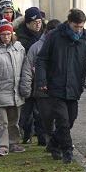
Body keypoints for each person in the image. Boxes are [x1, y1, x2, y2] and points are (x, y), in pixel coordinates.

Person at [35, 9, 86, 164]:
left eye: (81, 27)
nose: (78, 30)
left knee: (70, 119)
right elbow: (42, 58)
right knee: (62, 120)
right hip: (55, 85)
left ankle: (54, 143)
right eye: (76, 26)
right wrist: (41, 81)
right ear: (69, 22)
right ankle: (67, 150)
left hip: (74, 86)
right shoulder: (55, 36)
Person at [0, 17, 27, 157]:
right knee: (2, 121)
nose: (6, 37)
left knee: (14, 121)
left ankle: (14, 143)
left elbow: (25, 67)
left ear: (12, 34)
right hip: (0, 92)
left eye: (8, 34)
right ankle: (2, 145)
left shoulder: (19, 48)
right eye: (3, 34)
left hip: (16, 92)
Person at [19, 19, 61, 154]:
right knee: (44, 116)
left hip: (58, 88)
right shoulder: (36, 47)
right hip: (41, 88)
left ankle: (55, 140)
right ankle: (47, 136)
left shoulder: (63, 45)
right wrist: (26, 88)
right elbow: (27, 68)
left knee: (61, 116)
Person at [16, 7, 46, 144]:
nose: (37, 25)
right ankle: (26, 132)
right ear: (27, 23)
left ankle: (42, 137)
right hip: (25, 77)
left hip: (40, 78)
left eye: (39, 22)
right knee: (26, 111)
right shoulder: (20, 38)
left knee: (41, 110)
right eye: (34, 22)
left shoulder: (45, 36)